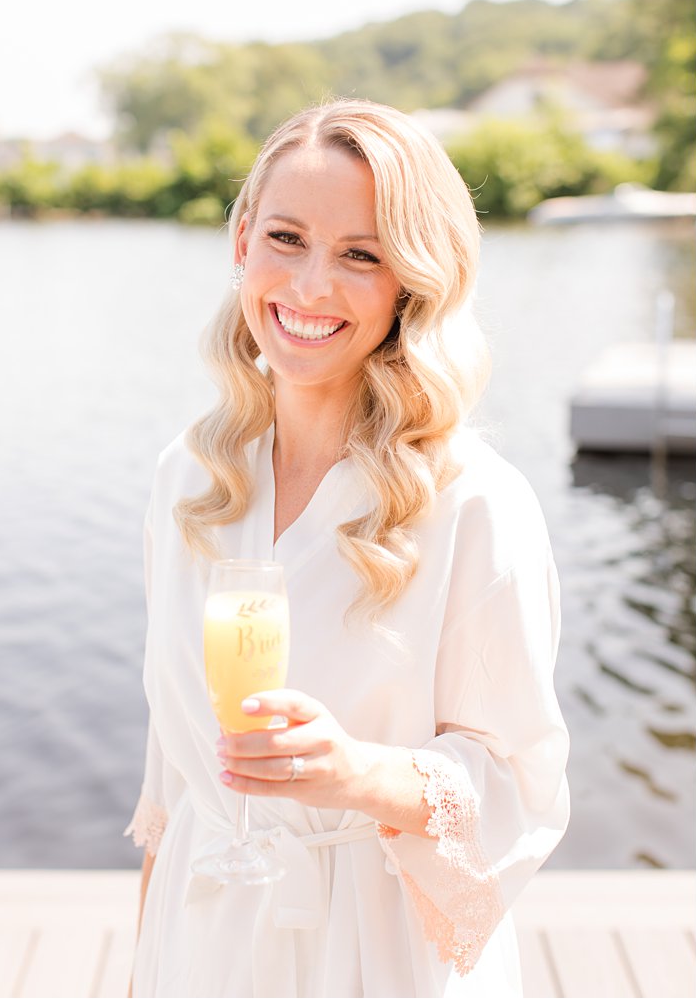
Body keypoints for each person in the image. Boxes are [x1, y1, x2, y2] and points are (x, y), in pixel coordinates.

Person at [126, 99, 570, 997]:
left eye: (361, 254)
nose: (310, 287)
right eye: (286, 237)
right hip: (205, 933)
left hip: (374, 950)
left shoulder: (474, 502)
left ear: (413, 283)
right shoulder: (190, 477)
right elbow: (172, 775)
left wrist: (357, 772)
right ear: (242, 240)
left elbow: (524, 782)